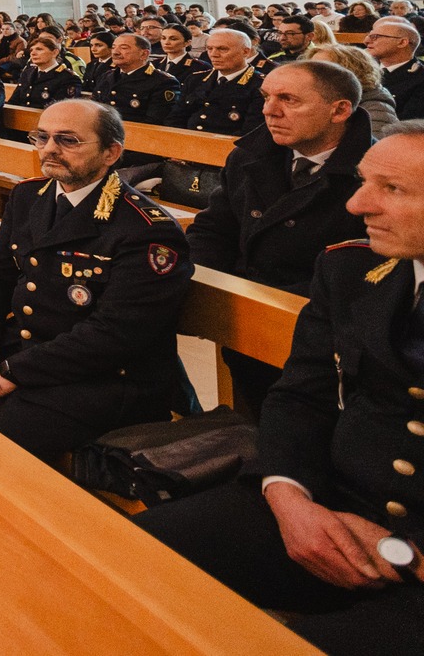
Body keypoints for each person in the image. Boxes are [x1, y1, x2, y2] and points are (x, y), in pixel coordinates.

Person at [134, 123, 424, 653]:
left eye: (393, 189)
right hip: (335, 501)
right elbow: (302, 395)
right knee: (132, 558)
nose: (358, 204)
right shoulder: (351, 268)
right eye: (363, 182)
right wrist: (290, 496)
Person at [0, 99, 192, 463]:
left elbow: (117, 334)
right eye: (42, 137)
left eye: (68, 140)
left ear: (111, 152)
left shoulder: (145, 229)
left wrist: (14, 372)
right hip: (23, 346)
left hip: (106, 378)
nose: (50, 149)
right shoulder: (28, 196)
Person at [191, 60, 370, 417]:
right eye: (266, 97)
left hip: (324, 337)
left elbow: (371, 269)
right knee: (256, 418)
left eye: (288, 99)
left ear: (339, 110)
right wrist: (205, 287)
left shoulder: (371, 172)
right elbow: (214, 229)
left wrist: (281, 308)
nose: (269, 110)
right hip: (245, 312)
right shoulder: (249, 156)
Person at [308, 45, 400, 140]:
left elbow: (370, 150)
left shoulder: (376, 109)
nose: (310, 75)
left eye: (320, 69)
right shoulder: (322, 98)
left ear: (349, 72)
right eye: (310, 68)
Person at [98, 33, 179, 125]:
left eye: (124, 48)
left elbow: (155, 121)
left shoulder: (163, 81)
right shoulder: (107, 76)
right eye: (113, 47)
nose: (115, 52)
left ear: (144, 54)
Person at [364, 17, 424, 120]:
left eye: (375, 37)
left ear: (402, 42)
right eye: (369, 35)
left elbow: (409, 122)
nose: (366, 41)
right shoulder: (363, 69)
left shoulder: (419, 77)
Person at [12, 33, 83, 110]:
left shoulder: (68, 78)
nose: (33, 53)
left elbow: (61, 109)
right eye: (31, 50)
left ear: (55, 52)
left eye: (39, 49)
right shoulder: (28, 73)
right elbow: (13, 101)